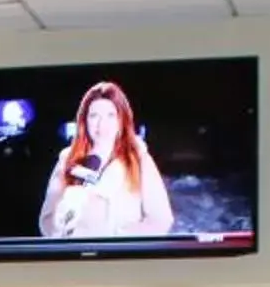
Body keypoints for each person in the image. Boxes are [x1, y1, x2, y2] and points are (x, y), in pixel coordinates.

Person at [39, 79, 173, 239]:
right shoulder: (68, 158)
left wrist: (116, 241)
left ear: (121, 120)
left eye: (111, 116)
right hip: (75, 259)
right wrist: (62, 225)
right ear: (84, 121)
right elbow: (46, 222)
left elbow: (160, 220)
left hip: (121, 258)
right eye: (94, 116)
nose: (102, 125)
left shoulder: (138, 158)